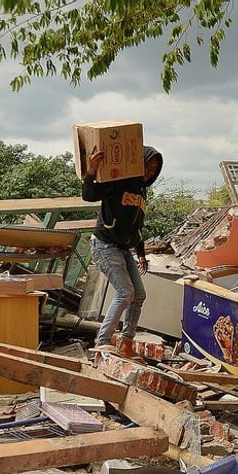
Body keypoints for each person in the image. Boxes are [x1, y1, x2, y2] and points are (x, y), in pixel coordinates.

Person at [82, 144, 163, 358]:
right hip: (105, 245)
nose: (151, 171)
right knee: (126, 292)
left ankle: (126, 341)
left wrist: (142, 253)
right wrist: (91, 171)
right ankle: (103, 340)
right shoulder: (119, 181)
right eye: (148, 165)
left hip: (124, 248)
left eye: (155, 168)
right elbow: (89, 195)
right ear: (139, 163)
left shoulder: (142, 192)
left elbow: (136, 225)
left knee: (139, 295)